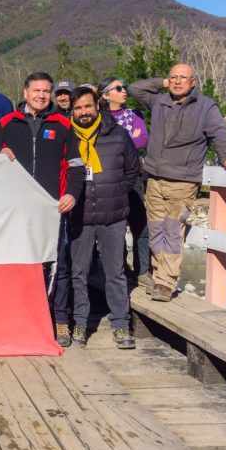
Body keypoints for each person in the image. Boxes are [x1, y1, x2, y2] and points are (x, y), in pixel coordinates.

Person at [129, 63, 226, 302]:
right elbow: (135, 88)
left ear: (194, 82)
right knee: (156, 230)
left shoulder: (205, 106)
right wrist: (163, 81)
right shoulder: (159, 101)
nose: (177, 81)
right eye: (173, 77)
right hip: (154, 178)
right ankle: (159, 276)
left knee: (172, 230)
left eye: (183, 78)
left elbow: (218, 133)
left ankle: (166, 282)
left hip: (182, 180)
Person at [0, 72, 84, 346]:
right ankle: (18, 317)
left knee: (58, 264)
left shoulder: (63, 125)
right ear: (25, 92)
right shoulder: (8, 123)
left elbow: (77, 167)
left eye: (46, 91)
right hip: (16, 209)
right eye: (37, 90)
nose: (42, 95)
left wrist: (72, 194)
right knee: (18, 263)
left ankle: (60, 320)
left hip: (52, 208)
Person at [68, 87, 140, 350]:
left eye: (87, 106)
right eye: (77, 108)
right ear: (71, 111)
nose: (83, 112)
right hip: (80, 215)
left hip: (113, 215)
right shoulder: (68, 138)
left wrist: (118, 191)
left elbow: (132, 169)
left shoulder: (117, 134)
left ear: (97, 105)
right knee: (79, 272)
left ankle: (121, 324)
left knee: (116, 272)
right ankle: (80, 322)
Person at [99, 76, 149, 282]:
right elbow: (102, 144)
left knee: (141, 225)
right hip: (109, 178)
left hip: (132, 176)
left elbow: (143, 138)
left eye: (124, 87)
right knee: (115, 227)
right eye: (118, 88)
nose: (124, 91)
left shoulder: (133, 114)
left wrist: (117, 145)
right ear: (105, 94)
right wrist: (128, 140)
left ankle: (143, 271)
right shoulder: (98, 117)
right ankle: (120, 269)